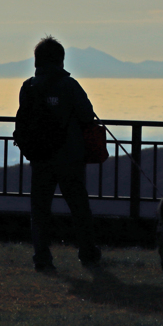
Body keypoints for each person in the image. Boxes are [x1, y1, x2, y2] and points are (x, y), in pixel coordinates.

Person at [21, 35, 102, 271]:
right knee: (79, 208)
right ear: (61, 60)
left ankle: (42, 259)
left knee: (40, 210)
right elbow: (87, 116)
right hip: (69, 157)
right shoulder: (69, 85)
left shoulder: (29, 87)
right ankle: (87, 254)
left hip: (40, 158)